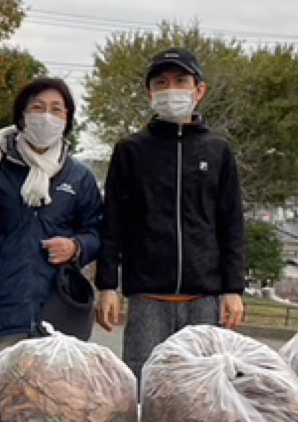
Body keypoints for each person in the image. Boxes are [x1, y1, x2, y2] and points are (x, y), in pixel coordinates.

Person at [94, 48, 247, 380]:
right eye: (161, 83)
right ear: (150, 93)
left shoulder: (217, 150)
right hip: (148, 298)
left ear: (199, 91)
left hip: (203, 299)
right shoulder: (131, 150)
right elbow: (113, 222)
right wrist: (107, 285)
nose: (171, 90)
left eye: (181, 82)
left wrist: (233, 288)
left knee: (201, 390)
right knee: (144, 386)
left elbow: (231, 223)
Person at [0, 75, 106, 361]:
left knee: (54, 401)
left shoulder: (79, 176)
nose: (47, 116)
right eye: (38, 107)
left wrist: (77, 246)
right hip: (1, 308)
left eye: (56, 109)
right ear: (22, 115)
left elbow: (98, 230)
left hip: (58, 311)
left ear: (67, 118)